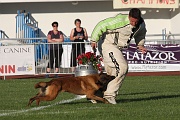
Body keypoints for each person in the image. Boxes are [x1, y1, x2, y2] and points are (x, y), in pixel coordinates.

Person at [91, 8, 147, 104]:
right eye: (132, 21)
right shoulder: (119, 21)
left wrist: (140, 45)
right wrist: (93, 39)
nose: (134, 23)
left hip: (117, 48)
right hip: (108, 45)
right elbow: (101, 25)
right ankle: (109, 95)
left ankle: (97, 95)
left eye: (136, 21)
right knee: (122, 67)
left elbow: (141, 34)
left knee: (111, 74)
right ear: (128, 17)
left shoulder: (141, 24)